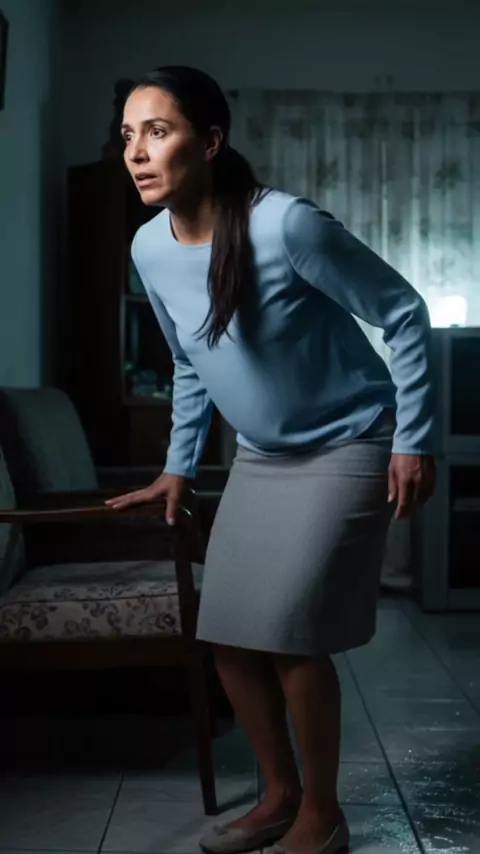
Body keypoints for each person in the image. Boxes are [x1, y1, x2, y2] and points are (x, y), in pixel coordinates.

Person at [107, 66, 437, 854]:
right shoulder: (148, 246)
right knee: (228, 636)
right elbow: (190, 361)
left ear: (210, 142)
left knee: (290, 635)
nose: (138, 153)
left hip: (349, 442)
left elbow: (404, 312)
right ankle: (280, 796)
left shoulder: (286, 225)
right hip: (261, 460)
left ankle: (323, 815)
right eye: (127, 136)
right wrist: (179, 467)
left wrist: (414, 438)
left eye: (159, 131)